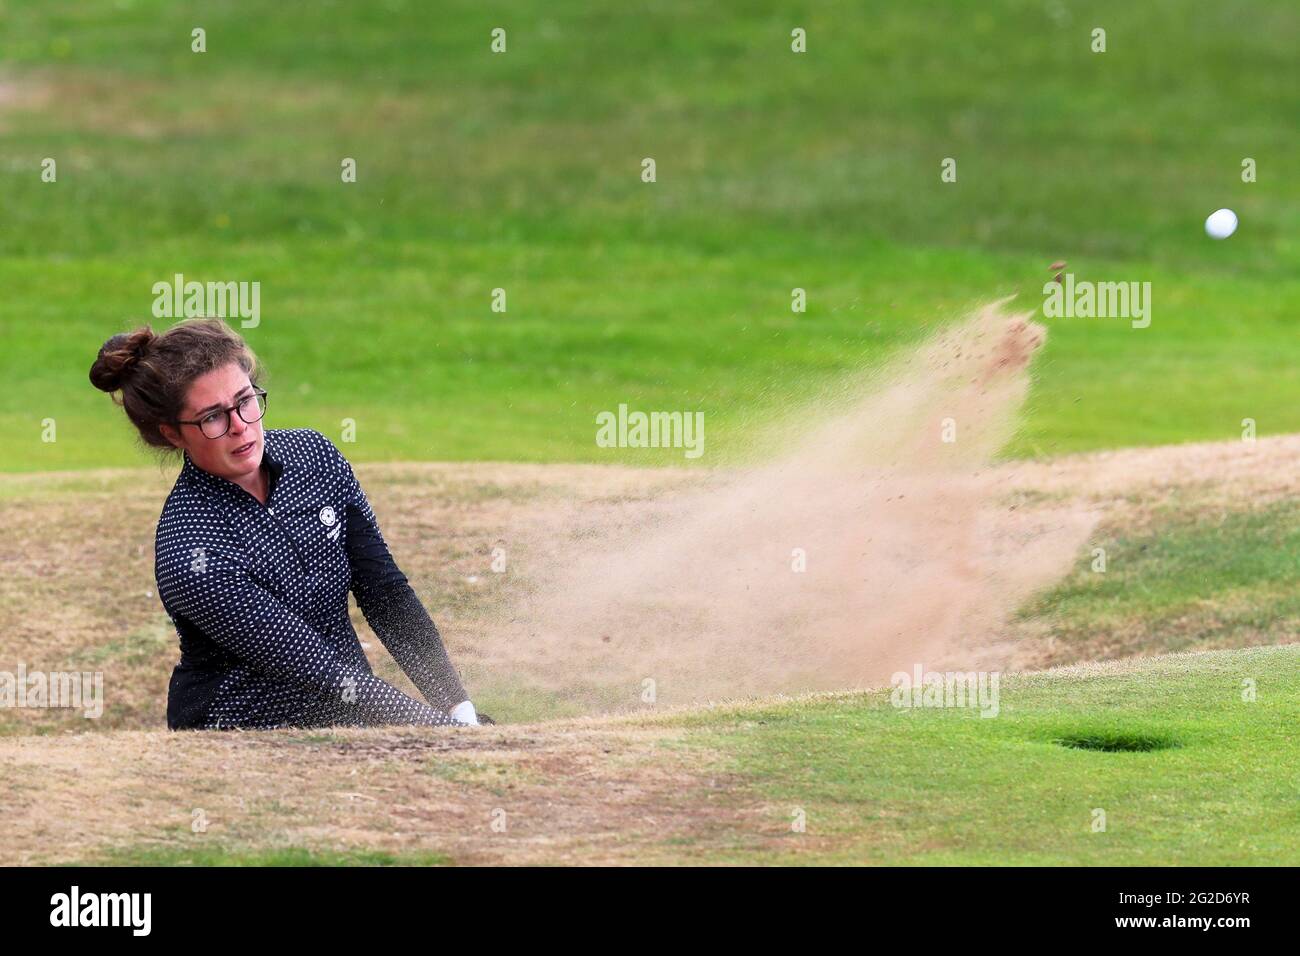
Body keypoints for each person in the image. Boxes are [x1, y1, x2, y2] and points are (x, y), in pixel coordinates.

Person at [88, 317, 490, 730]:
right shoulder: (191, 549)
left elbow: (384, 591)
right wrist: (442, 731)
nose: (240, 426)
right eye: (213, 418)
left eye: (245, 400)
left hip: (353, 719)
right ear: (173, 434)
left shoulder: (313, 455)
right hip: (238, 735)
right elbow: (320, 670)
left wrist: (458, 709)